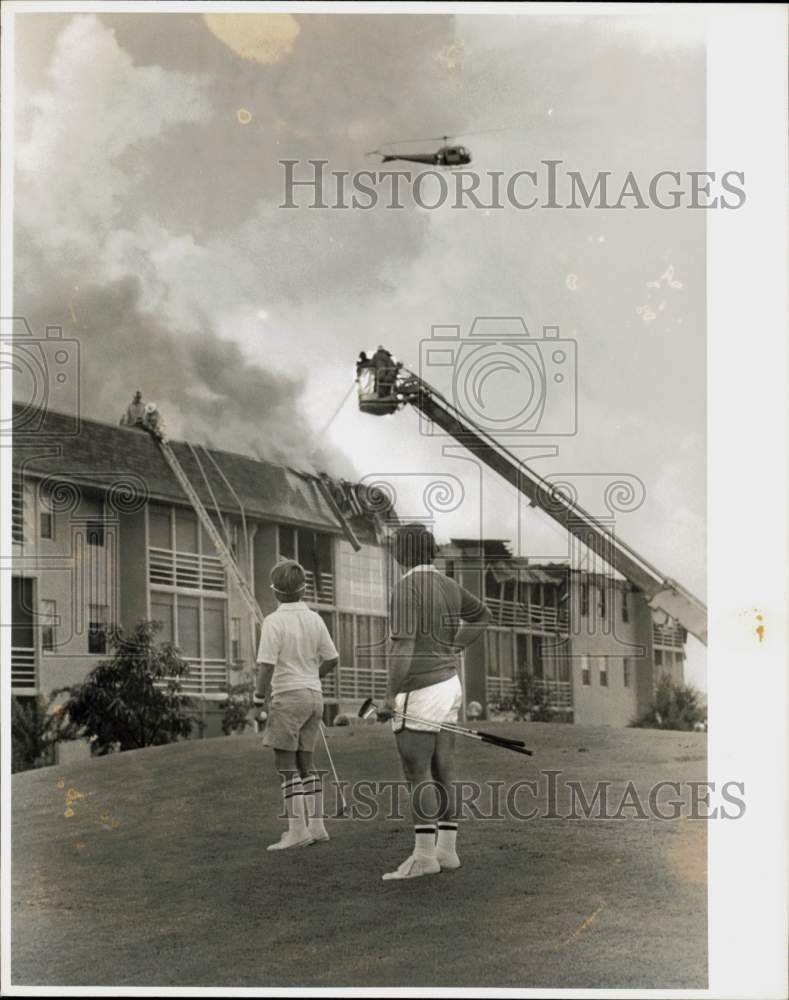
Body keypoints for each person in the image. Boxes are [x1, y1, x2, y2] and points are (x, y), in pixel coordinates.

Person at [378, 523, 491, 880]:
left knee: (417, 772)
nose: (393, 552)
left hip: (421, 688)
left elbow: (402, 645)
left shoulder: (406, 586)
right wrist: (453, 646)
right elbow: (482, 616)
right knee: (444, 768)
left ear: (405, 552)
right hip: (449, 684)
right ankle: (447, 851)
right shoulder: (447, 584)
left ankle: (424, 857)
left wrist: (388, 696)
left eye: (396, 546)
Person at [255, 559, 339, 851]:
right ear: (303, 590)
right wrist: (310, 678)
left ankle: (297, 832)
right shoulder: (315, 618)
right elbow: (332, 659)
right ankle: (316, 827)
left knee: (286, 765)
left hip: (289, 697)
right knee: (306, 763)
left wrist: (256, 699)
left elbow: (265, 666)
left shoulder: (273, 621)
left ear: (276, 592)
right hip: (314, 697)